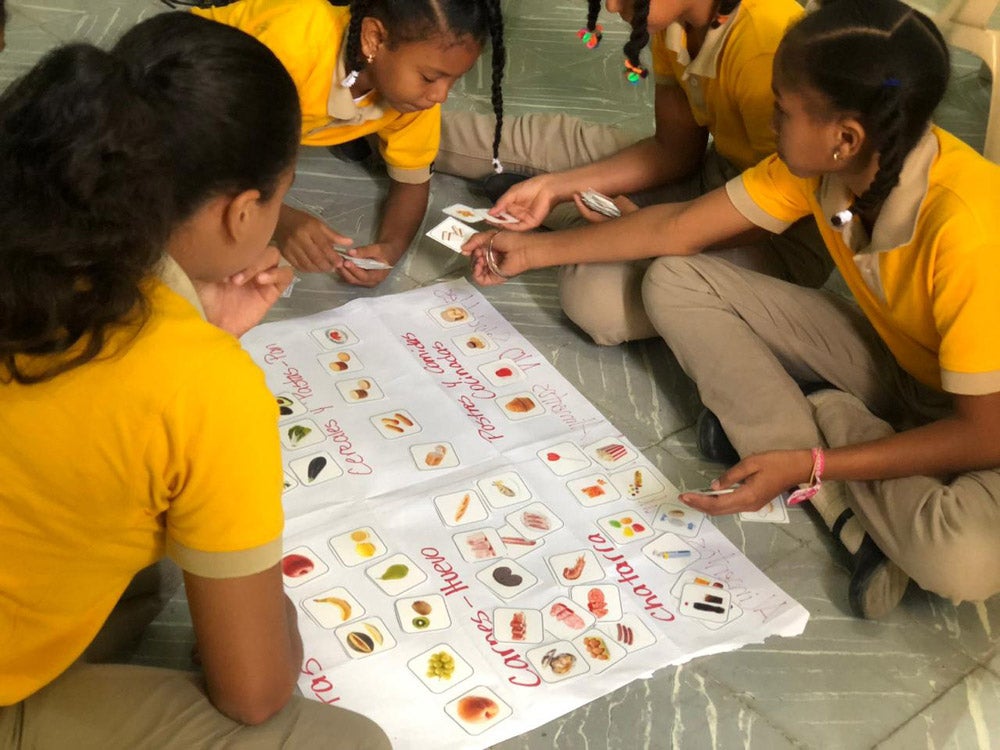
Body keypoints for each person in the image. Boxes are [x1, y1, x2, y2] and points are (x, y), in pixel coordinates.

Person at [464, 0, 1000, 620]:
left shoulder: (968, 229)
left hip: (982, 421)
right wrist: (533, 252)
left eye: (783, 110)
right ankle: (821, 465)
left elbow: (982, 433)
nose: (770, 123)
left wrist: (820, 460)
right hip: (903, 369)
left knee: (960, 560)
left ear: (845, 137)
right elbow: (682, 229)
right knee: (676, 279)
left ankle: (821, 432)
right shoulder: (825, 166)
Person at [0, 13, 390, 748]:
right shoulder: (205, 389)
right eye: (279, 197)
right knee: (347, 742)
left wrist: (192, 323)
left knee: (135, 570)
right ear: (244, 211)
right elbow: (253, 692)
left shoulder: (27, 231)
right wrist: (280, 619)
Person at [436, 0, 833, 350]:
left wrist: (537, 250)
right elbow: (675, 150)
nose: (610, 6)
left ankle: (586, 228)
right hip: (718, 175)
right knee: (554, 145)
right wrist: (555, 186)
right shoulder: (675, 17)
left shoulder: (764, 44)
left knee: (595, 298)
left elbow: (695, 226)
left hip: (780, 235)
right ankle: (397, 128)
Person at [188, 0, 505, 288]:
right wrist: (280, 220)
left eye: (454, 80)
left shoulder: (414, 101)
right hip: (185, 88)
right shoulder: (293, 44)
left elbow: (412, 180)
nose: (441, 96)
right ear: (374, 39)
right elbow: (205, 150)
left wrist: (391, 247)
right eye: (429, 77)